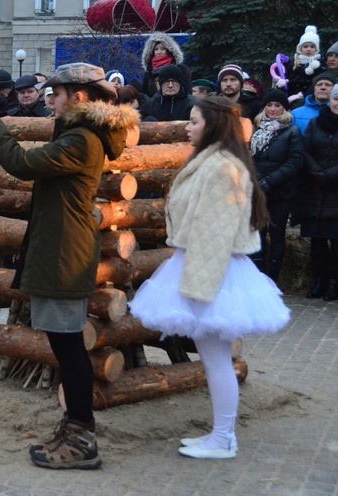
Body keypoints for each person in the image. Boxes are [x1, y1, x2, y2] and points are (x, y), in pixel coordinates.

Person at [0, 62, 138, 469]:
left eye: (55, 95)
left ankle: (81, 440)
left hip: (66, 255)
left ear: (77, 97)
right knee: (66, 348)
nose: (50, 102)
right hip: (62, 250)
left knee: (69, 349)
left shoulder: (82, 139)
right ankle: (74, 429)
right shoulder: (80, 133)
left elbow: (22, 164)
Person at [129, 96, 289, 459]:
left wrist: (199, 289)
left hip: (212, 268)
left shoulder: (221, 167)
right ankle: (221, 435)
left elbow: (213, 229)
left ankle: (223, 438)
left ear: (213, 125)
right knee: (213, 359)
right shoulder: (214, 161)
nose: (187, 127)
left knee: (217, 361)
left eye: (194, 121)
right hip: (204, 263)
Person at [294, 81, 338, 301]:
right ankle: (318, 282)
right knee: (317, 242)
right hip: (315, 190)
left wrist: (333, 174)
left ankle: (334, 284)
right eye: (337, 98)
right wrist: (316, 171)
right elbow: (304, 149)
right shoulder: (317, 123)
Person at [249, 89, 304, 283]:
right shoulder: (254, 130)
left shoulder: (291, 131)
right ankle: (258, 276)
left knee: (277, 233)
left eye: (277, 105)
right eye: (269, 105)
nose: (273, 109)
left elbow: (295, 162)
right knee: (258, 232)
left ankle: (273, 277)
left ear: (284, 109)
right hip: (258, 190)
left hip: (281, 191)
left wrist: (269, 181)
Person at [279, 25, 325, 98]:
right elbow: (287, 79)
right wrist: (281, 85)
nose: (308, 49)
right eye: (305, 46)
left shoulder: (319, 64)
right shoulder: (293, 62)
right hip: (291, 97)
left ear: (316, 49)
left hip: (309, 98)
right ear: (300, 48)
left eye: (312, 46)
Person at [141, 32, 192, 98]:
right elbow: (145, 94)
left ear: (169, 50)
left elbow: (188, 91)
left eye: (163, 49)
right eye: (156, 49)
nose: (159, 52)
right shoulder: (149, 71)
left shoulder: (181, 68)